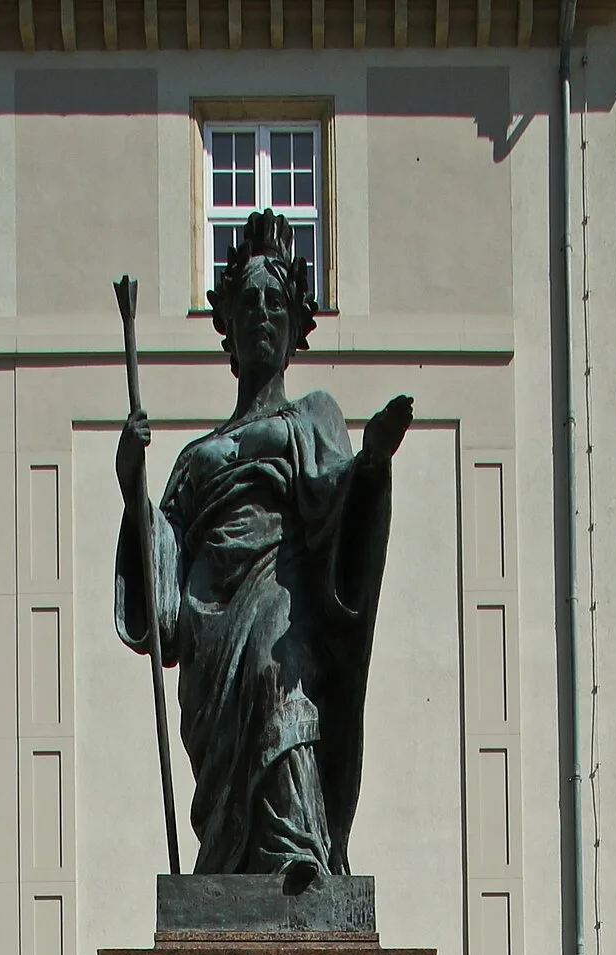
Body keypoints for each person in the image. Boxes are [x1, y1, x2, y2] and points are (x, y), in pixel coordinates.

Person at [115, 206, 412, 885]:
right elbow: (162, 597)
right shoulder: (195, 458)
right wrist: (132, 484)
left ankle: (298, 857)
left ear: (296, 322)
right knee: (233, 754)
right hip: (210, 631)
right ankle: (232, 874)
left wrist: (370, 466)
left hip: (282, 599)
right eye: (247, 301)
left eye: (276, 301)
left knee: (281, 678)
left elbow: (340, 507)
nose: (261, 313)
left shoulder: (313, 418)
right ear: (228, 326)